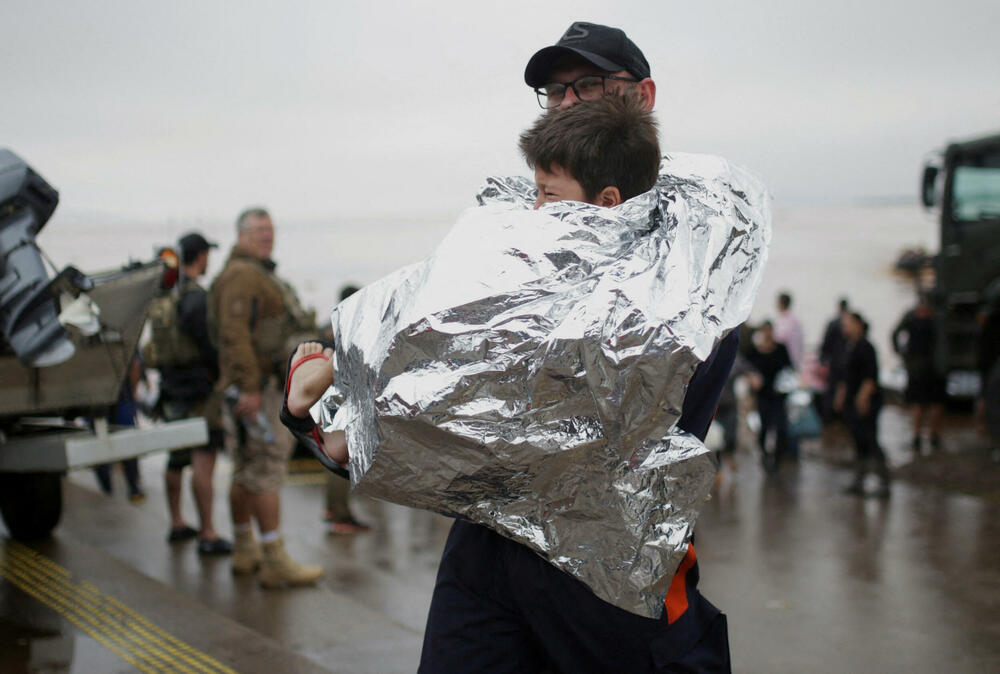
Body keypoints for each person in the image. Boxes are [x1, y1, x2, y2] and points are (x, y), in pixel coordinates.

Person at [289, 22, 736, 672]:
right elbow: (431, 342)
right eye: (554, 90)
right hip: (488, 551)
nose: (567, 101)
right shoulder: (516, 229)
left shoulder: (694, 256)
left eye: (588, 85)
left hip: (604, 575)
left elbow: (581, 416)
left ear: (644, 93)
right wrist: (336, 402)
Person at [210, 207, 323, 587]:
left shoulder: (249, 272)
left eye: (270, 229)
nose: (266, 236)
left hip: (243, 386)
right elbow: (234, 334)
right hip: (257, 388)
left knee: (245, 469)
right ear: (241, 234)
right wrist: (252, 388)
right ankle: (274, 559)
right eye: (259, 230)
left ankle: (245, 549)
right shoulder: (243, 275)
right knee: (268, 472)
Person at [149, 232, 232, 554]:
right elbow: (207, 343)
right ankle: (208, 533)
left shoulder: (166, 295)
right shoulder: (196, 297)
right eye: (207, 254)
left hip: (170, 387)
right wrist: (219, 372)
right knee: (204, 457)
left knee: (176, 457)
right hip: (200, 388)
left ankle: (177, 523)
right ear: (200, 257)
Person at [323, 284, 370, 535]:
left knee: (334, 458)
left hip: (330, 399)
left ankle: (333, 510)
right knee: (343, 460)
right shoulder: (353, 325)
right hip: (345, 400)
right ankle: (341, 516)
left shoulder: (331, 324)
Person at [836, 311, 890, 496]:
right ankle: (860, 480)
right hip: (852, 400)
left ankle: (884, 481)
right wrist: (841, 395)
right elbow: (846, 375)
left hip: (866, 402)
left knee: (870, 440)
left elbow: (870, 378)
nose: (844, 328)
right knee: (858, 441)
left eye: (847, 324)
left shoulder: (866, 347)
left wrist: (863, 399)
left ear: (859, 325)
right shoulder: (849, 346)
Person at [891, 295, 945, 452]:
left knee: (921, 403)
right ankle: (929, 436)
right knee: (930, 403)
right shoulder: (937, 317)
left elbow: (895, 334)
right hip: (928, 366)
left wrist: (901, 353)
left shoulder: (912, 316)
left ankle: (920, 437)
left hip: (920, 366)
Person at [746, 321, 793, 473]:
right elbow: (745, 367)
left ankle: (777, 458)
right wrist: (751, 378)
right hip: (763, 396)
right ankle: (765, 455)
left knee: (781, 427)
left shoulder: (780, 349)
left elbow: (789, 368)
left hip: (779, 395)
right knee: (764, 427)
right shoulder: (755, 351)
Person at [819, 297, 850, 422]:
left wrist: (823, 357)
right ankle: (841, 416)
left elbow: (826, 342)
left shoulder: (833, 323)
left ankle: (829, 416)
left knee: (832, 388)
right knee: (843, 387)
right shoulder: (849, 324)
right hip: (846, 362)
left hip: (835, 361)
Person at [774, 291, 804, 370]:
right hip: (795, 359)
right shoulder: (795, 321)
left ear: (781, 303)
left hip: (786, 360)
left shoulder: (784, 321)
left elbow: (779, 339)